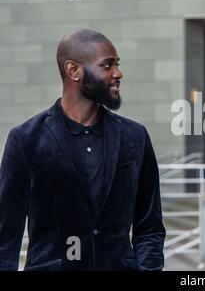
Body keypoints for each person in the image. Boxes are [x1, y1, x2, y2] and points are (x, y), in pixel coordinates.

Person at [0, 29, 165, 271]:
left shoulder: (135, 137)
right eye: (107, 65)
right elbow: (5, 237)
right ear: (74, 71)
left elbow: (150, 227)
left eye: (117, 64)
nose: (118, 73)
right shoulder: (25, 140)